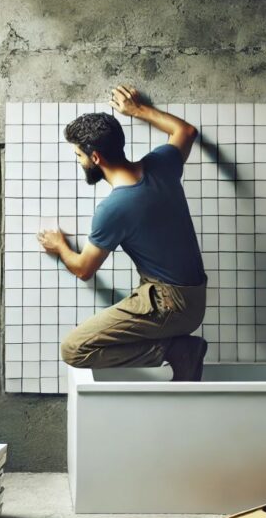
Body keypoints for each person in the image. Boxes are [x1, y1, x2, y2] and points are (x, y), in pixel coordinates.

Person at [37, 85, 209, 381]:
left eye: (79, 155)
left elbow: (84, 269)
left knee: (74, 350)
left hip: (171, 305)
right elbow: (186, 131)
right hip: (193, 298)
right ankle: (175, 347)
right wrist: (138, 110)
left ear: (96, 158)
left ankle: (174, 351)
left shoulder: (114, 208)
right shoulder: (162, 165)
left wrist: (60, 246)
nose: (79, 161)